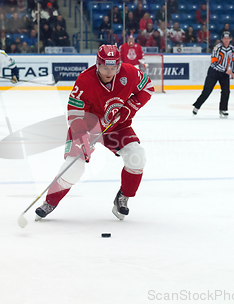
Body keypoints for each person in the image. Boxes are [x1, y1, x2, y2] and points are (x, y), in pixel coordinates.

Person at [34, 45, 154, 221]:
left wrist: (129, 108)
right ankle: (50, 201)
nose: (109, 72)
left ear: (119, 65)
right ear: (97, 64)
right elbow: (74, 113)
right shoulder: (84, 81)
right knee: (74, 168)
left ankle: (123, 197)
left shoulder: (129, 73)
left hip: (117, 126)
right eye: (105, 67)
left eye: (113, 67)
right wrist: (82, 136)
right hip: (87, 128)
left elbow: (147, 88)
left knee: (137, 156)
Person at [192, 31, 234, 118]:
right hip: (214, 72)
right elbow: (213, 63)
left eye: (228, 38)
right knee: (207, 91)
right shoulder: (217, 48)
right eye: (224, 38)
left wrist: (233, 71)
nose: (226, 40)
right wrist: (225, 70)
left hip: (224, 74)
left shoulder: (232, 49)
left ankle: (223, 109)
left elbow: (233, 61)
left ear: (230, 39)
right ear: (222, 39)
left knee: (226, 91)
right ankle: (197, 106)